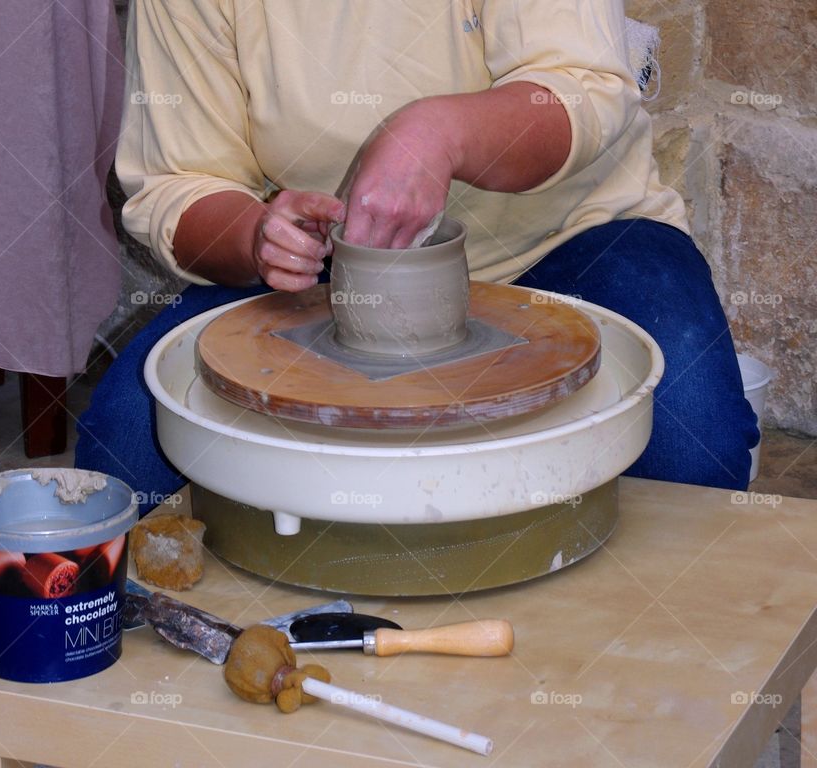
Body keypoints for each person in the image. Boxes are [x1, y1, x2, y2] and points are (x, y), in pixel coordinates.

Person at [76, 0, 759, 513]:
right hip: (328, 262)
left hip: (572, 233)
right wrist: (257, 237)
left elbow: (582, 87)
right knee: (120, 457)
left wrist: (439, 133)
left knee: (692, 443)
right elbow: (179, 181)